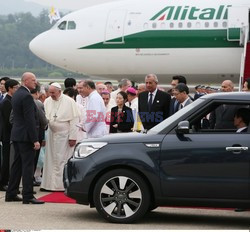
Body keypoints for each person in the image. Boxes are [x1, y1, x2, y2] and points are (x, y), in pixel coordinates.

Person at [5, 72, 44, 204]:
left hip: (17, 135)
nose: (35, 82)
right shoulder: (26, 96)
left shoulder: (17, 94)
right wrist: (35, 139)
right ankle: (28, 195)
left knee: (17, 165)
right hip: (26, 136)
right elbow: (30, 120)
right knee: (28, 166)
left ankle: (11, 193)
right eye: (33, 80)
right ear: (25, 81)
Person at [41, 82, 80, 191]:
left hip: (64, 135)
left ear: (59, 91)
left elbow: (74, 120)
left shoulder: (69, 101)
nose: (51, 95)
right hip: (51, 134)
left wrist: (73, 137)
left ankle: (60, 185)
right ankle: (49, 185)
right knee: (50, 159)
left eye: (53, 93)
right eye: (50, 93)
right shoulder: (48, 101)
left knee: (61, 159)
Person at [0, 79, 19, 191]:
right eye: (15, 87)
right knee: (6, 160)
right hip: (7, 135)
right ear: (10, 88)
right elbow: (9, 121)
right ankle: (3, 182)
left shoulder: (11, 100)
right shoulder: (7, 102)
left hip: (9, 134)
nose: (17, 89)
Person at [30, 83, 48, 186]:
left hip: (23, 136)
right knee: (34, 160)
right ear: (37, 93)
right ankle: (31, 179)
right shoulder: (38, 103)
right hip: (37, 135)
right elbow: (44, 122)